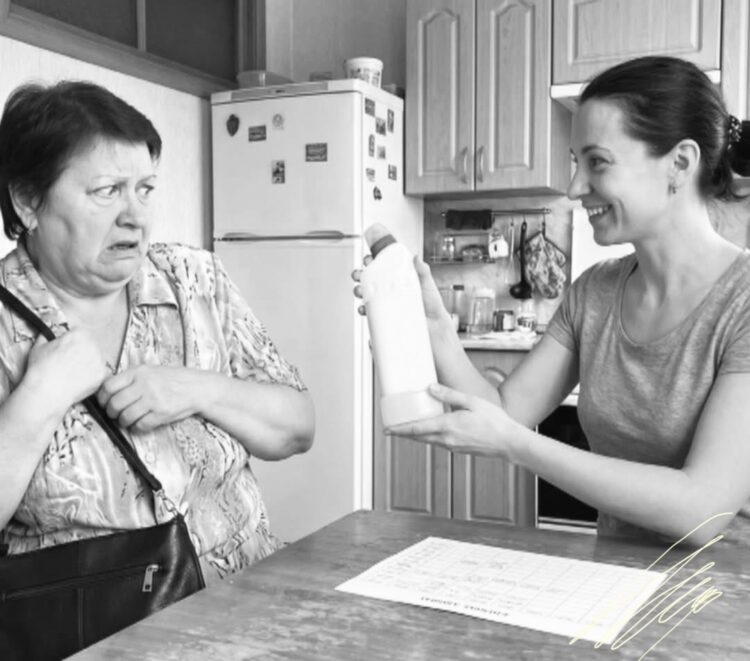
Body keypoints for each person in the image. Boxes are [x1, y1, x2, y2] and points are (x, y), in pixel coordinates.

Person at [354, 55, 750, 547]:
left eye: (597, 162)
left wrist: (517, 446)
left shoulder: (742, 302)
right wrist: (435, 328)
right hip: (614, 573)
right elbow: (506, 411)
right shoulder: (595, 292)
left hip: (719, 587)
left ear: (680, 164)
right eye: (576, 163)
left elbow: (703, 508)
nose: (574, 187)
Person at [0, 81, 315, 582]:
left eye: (145, 189)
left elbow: (297, 428)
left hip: (248, 593)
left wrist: (196, 389)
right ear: (27, 201)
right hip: (97, 617)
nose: (135, 216)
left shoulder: (194, 278)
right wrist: (38, 398)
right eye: (107, 191)